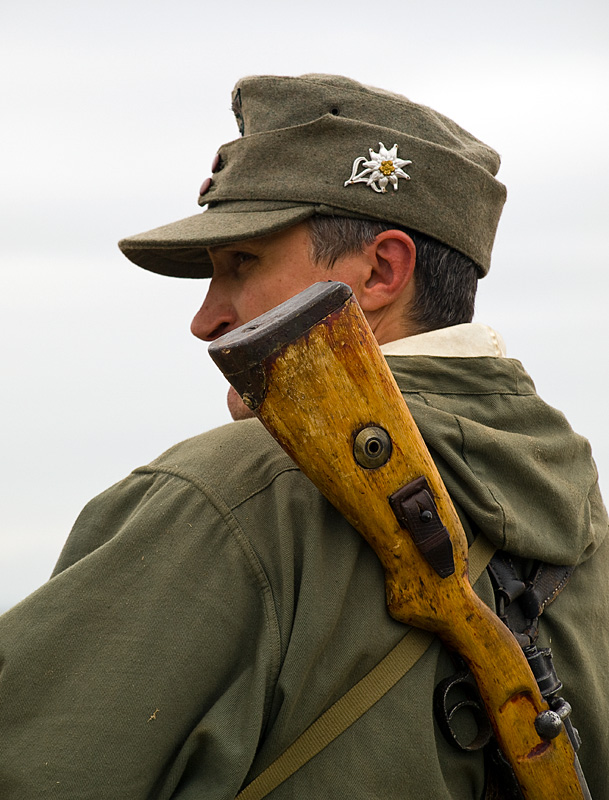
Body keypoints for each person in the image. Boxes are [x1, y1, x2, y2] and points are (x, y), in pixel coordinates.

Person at [0, 74, 607, 799]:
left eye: (242, 263)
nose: (206, 319)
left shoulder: (231, 493)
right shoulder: (582, 520)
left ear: (380, 271)